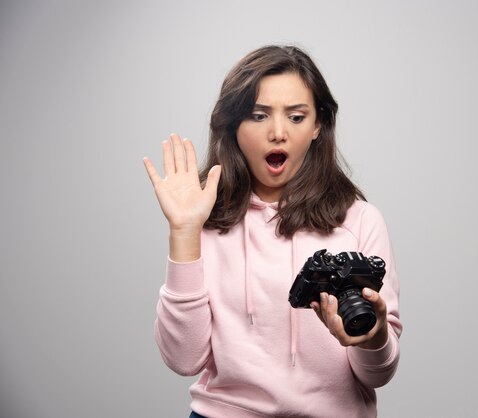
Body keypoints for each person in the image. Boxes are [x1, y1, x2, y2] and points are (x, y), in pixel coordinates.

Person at [143, 45, 402, 418]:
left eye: (296, 117)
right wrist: (184, 231)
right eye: (259, 115)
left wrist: (374, 337)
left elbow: (378, 373)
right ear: (234, 126)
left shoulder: (361, 221)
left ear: (317, 126)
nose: (278, 133)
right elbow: (183, 359)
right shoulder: (206, 219)